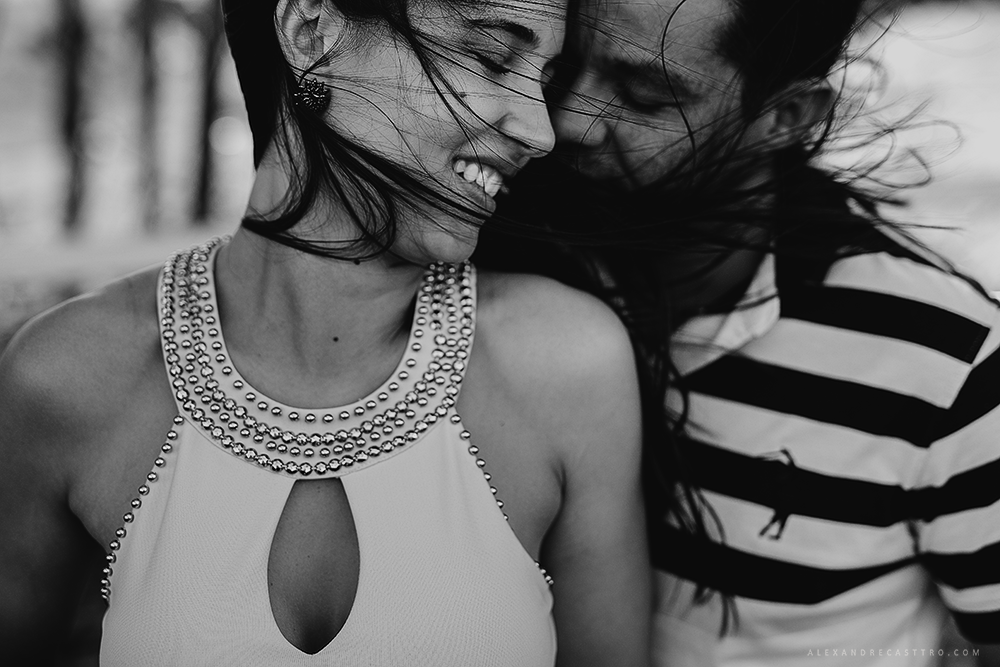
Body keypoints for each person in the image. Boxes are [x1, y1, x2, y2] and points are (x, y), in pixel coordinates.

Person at [0, 1, 652, 665]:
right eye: (489, 55)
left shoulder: (566, 369)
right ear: (311, 31)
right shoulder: (65, 378)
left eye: (543, 79)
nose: (541, 131)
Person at [479, 0, 1000, 664]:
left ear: (785, 117)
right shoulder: (492, 263)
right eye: (563, 66)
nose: (570, 120)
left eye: (642, 94)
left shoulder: (945, 356)